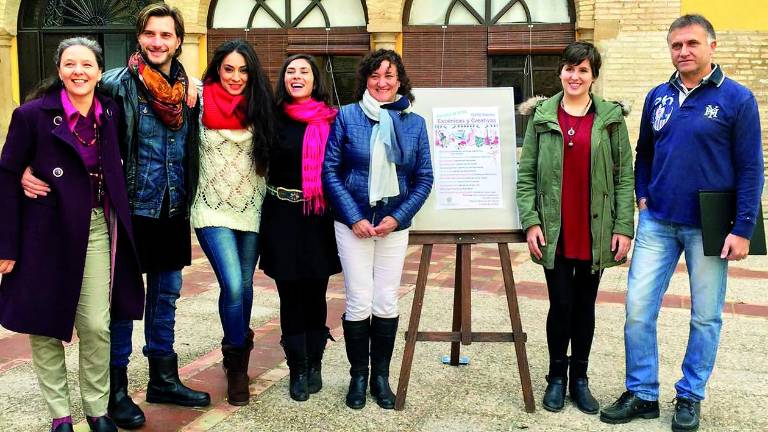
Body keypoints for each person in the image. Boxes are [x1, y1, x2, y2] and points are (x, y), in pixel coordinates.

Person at [21, 3, 208, 429]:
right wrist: (28, 167)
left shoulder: (187, 90)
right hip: (127, 210)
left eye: (166, 35)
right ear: (139, 37)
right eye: (150, 34)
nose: (158, 42)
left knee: (166, 296)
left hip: (172, 206)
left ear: (179, 40)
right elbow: (57, 113)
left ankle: (163, 377)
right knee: (121, 303)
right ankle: (117, 389)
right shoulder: (112, 85)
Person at [600, 15, 764, 432]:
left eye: (691, 43)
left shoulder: (737, 99)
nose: (683, 52)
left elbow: (750, 168)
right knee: (637, 310)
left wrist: (743, 227)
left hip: (710, 223)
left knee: (706, 316)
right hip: (657, 220)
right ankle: (642, 393)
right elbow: (645, 152)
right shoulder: (659, 96)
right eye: (676, 45)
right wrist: (642, 196)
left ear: (712, 45)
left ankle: (690, 395)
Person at [0, 37, 143, 432]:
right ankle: (60, 415)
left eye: (86, 65)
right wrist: (6, 245)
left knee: (97, 325)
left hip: (96, 225)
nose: (78, 72)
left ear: (100, 71)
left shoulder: (110, 112)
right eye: (70, 64)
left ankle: (97, 409)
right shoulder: (31, 115)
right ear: (59, 69)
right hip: (42, 232)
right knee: (44, 324)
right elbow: (8, 175)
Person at [516, 41, 635, 415]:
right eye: (569, 68)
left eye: (583, 70)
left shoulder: (611, 119)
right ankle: (555, 377)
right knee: (561, 303)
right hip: (556, 227)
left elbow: (625, 178)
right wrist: (531, 221)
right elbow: (526, 176)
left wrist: (623, 226)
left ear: (593, 77)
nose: (575, 76)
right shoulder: (542, 117)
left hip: (595, 227)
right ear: (561, 73)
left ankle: (579, 380)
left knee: (585, 305)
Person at [322, 49, 433, 410]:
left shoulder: (414, 123)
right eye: (375, 75)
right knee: (358, 299)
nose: (382, 82)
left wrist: (397, 218)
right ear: (365, 80)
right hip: (352, 223)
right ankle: (358, 376)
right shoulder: (347, 117)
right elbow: (331, 171)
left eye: (389, 75)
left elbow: (424, 178)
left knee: (385, 298)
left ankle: (380, 377)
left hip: (392, 225)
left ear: (400, 80)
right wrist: (353, 216)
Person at [191, 39, 272, 406]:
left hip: (252, 207)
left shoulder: (262, 105)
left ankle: (236, 356)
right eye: (228, 69)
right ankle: (237, 364)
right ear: (217, 69)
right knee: (235, 285)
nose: (236, 77)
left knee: (246, 288)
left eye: (243, 70)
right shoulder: (198, 99)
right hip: (210, 208)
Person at [259, 54, 341, 402]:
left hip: (318, 216)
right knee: (290, 294)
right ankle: (297, 367)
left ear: (314, 79)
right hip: (281, 214)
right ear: (284, 79)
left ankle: (315, 363)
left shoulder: (332, 119)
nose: (296, 76)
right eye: (290, 70)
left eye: (304, 71)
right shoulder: (271, 117)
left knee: (315, 293)